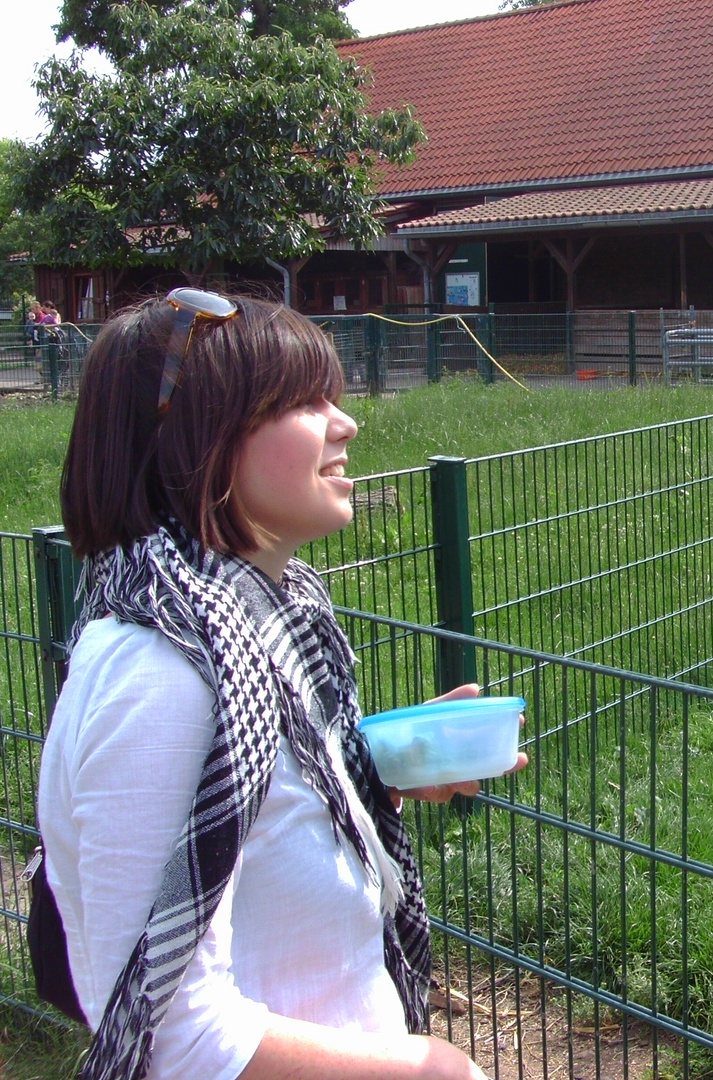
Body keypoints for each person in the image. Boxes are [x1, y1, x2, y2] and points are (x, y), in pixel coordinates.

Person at [38, 291, 518, 1080]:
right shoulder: (161, 672)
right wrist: (432, 1070)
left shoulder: (251, 622)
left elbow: (251, 838)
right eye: (303, 402)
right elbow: (165, 1035)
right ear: (204, 442)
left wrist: (369, 767)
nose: (346, 424)